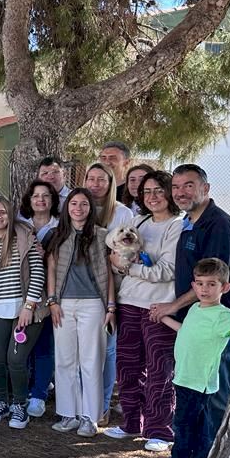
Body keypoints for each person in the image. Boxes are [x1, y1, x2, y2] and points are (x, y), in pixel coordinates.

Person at [149, 164, 230, 443]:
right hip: (195, 324)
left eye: (188, 186)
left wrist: (172, 306)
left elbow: (210, 282)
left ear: (205, 188)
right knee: (192, 398)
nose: (180, 192)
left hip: (216, 327)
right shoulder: (190, 222)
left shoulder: (219, 226)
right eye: (176, 187)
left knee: (214, 399)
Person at [147, 258, 230, 458]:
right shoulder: (195, 308)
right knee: (186, 425)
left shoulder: (223, 316)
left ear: (225, 287)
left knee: (194, 428)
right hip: (184, 378)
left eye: (212, 284)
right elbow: (185, 331)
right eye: (200, 283)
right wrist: (164, 318)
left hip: (200, 383)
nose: (205, 289)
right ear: (194, 286)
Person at [103, 170, 183, 452]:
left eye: (159, 190)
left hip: (158, 308)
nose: (153, 196)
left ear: (169, 193)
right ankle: (131, 422)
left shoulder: (177, 226)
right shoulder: (139, 222)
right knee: (127, 368)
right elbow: (115, 259)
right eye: (147, 191)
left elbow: (167, 271)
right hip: (129, 303)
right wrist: (121, 267)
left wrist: (128, 268)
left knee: (159, 370)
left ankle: (160, 429)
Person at [0, 197, 46, 429]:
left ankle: (19, 405)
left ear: (10, 214)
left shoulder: (24, 237)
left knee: (16, 359)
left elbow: (37, 272)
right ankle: (2, 402)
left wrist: (29, 306)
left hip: (26, 308)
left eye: (2, 212)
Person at [46, 188, 114, 438]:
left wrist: (110, 306)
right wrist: (52, 301)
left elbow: (109, 274)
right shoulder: (57, 235)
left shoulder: (102, 236)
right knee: (64, 360)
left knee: (91, 360)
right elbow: (51, 270)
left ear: (91, 208)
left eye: (84, 204)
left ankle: (90, 417)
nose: (78, 208)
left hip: (93, 304)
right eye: (73, 203)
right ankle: (68, 414)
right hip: (63, 304)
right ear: (67, 207)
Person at [84, 160, 131, 423]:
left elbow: (129, 249)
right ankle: (83, 403)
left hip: (112, 286)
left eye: (101, 179)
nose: (95, 184)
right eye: (91, 178)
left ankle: (102, 406)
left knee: (108, 349)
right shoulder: (78, 207)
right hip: (81, 288)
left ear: (111, 183)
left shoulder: (122, 213)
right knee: (84, 351)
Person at [17, 180, 60, 417]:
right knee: (23, 345)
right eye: (36, 196)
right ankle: (23, 390)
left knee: (44, 345)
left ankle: (39, 394)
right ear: (29, 200)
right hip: (21, 293)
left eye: (46, 196)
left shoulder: (61, 226)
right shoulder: (20, 225)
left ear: (53, 200)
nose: (40, 200)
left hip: (50, 293)